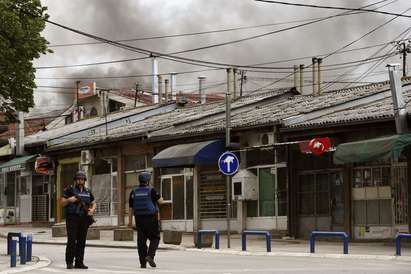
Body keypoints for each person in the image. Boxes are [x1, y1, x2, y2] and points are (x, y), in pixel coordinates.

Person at [61, 170, 97, 269]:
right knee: (72, 241)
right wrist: (69, 200)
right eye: (78, 179)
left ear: (84, 180)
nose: (80, 181)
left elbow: (94, 202)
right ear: (75, 180)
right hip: (72, 218)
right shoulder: (69, 190)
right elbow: (62, 203)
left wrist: (92, 210)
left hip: (84, 219)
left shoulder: (88, 191)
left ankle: (79, 262)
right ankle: (69, 262)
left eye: (82, 179)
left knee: (82, 241)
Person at [128, 171, 164, 268]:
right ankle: (150, 256)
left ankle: (142, 263)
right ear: (148, 181)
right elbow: (161, 202)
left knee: (141, 241)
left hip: (139, 219)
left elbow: (131, 208)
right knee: (155, 238)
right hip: (151, 219)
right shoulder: (151, 190)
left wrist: (130, 222)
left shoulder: (133, 192)